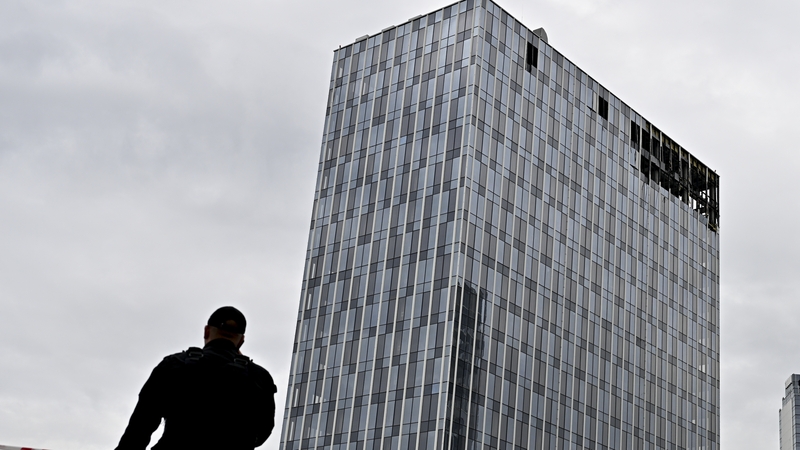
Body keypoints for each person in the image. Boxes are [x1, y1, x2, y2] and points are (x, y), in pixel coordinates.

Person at [115, 306, 277, 450]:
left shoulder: (174, 364)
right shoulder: (259, 377)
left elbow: (140, 427)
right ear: (241, 340)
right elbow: (263, 431)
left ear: (206, 331)